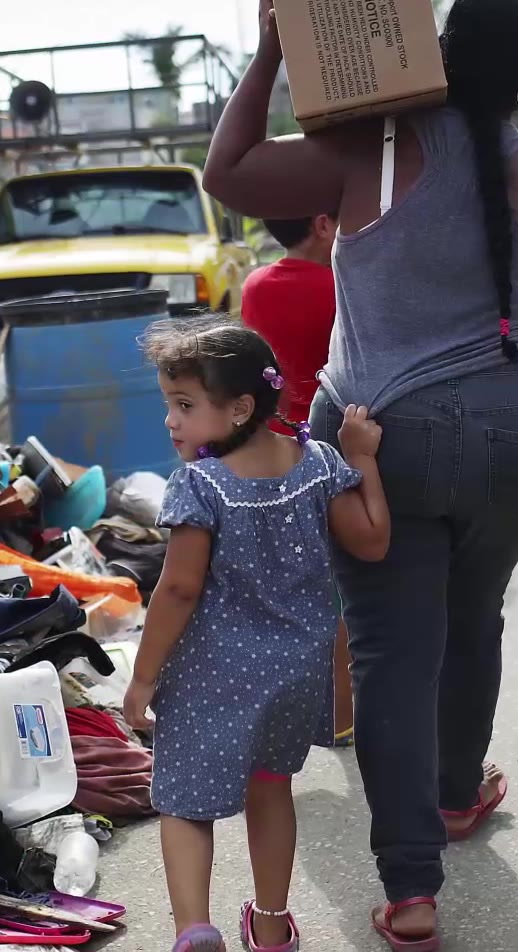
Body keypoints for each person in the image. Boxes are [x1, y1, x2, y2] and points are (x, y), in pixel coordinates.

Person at [203, 0, 518, 950]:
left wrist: (270, 54)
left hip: (386, 437)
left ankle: (412, 889)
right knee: (475, 612)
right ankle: (459, 791)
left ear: (438, 51)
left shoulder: (366, 151)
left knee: (392, 656)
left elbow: (232, 172)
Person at [123, 316, 390, 952]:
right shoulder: (320, 463)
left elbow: (180, 589)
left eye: (185, 406)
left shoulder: (201, 485)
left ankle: (193, 929)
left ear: (240, 406)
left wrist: (142, 676)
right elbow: (373, 541)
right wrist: (363, 459)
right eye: (169, 405)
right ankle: (270, 926)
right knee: (271, 789)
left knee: (185, 802)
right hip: (296, 673)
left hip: (209, 674)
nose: (171, 421)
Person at [240, 213, 356, 746]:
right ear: (324, 225)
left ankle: (286, 713)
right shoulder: (344, 282)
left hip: (275, 450)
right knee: (341, 587)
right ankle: (342, 713)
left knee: (290, 586)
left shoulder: (256, 286)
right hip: (334, 447)